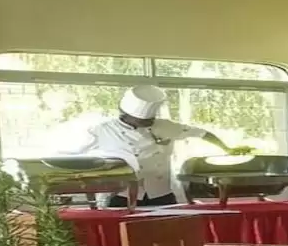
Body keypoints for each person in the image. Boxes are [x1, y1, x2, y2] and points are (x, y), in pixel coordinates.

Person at [73, 85, 236, 207]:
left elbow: (202, 133)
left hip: (161, 193)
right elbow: (73, 155)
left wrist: (226, 148)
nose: (149, 123)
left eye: (151, 119)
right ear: (126, 115)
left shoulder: (165, 126)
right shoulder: (103, 130)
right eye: (144, 121)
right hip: (122, 194)